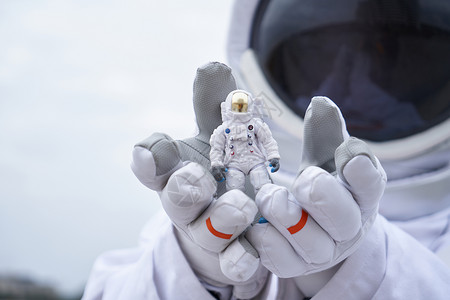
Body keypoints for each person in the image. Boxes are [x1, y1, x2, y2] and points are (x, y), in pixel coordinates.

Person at [82, 1, 450, 299]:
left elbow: (269, 143)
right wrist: (191, 273)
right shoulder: (191, 209)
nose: (349, 85)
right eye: (321, 55)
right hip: (243, 173)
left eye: (385, 57)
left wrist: (365, 272)